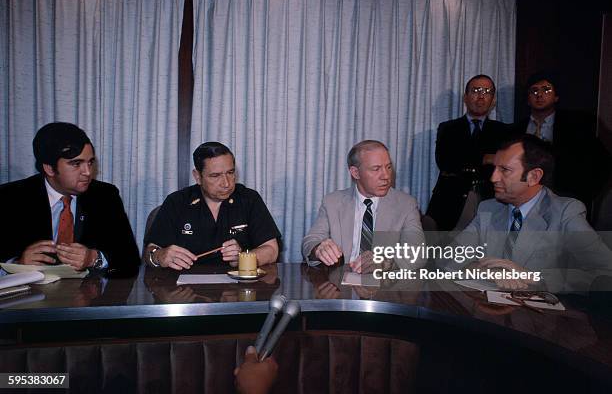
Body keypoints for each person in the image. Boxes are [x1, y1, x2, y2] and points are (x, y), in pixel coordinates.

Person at [449, 135, 612, 292]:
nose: (493, 178)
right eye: (494, 169)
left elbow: (605, 272)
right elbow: (447, 259)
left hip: (541, 316)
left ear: (534, 177)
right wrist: (479, 268)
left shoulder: (566, 213)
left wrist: (534, 277)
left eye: (504, 170)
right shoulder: (488, 209)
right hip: (489, 312)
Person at [0, 122, 140, 276]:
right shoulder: (10, 198)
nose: (87, 172)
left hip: (88, 295)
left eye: (90, 162)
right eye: (76, 164)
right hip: (29, 296)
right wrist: (17, 264)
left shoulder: (105, 195)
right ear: (49, 168)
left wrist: (94, 258)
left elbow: (130, 258)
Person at [143, 142, 281, 270]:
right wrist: (159, 256)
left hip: (237, 286)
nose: (226, 183)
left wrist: (243, 259)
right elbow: (151, 250)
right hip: (184, 288)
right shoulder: (177, 202)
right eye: (215, 176)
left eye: (230, 173)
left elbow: (271, 250)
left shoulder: (249, 199)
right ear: (197, 176)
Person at [302, 140, 425, 273]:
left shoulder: (406, 204)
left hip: (384, 287)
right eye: (376, 169)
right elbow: (310, 241)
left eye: (388, 167)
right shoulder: (332, 202)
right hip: (341, 285)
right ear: (355, 173)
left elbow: (417, 253)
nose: (386, 176)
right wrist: (318, 248)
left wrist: (385, 262)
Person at [513, 72, 611, 218]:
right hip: (523, 201)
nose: (539, 94)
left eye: (546, 90)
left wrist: (583, 195)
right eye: (534, 91)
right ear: (527, 99)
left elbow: (601, 162)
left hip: (565, 198)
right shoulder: (515, 129)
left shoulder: (576, 126)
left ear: (556, 97)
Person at [426, 74, 512, 231]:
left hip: (490, 198)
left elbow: (505, 164)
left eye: (487, 91)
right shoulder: (448, 128)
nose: (481, 96)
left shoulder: (504, 131)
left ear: (493, 100)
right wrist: (486, 158)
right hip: (450, 199)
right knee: (445, 249)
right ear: (465, 97)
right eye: (476, 90)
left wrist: (466, 157)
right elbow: (445, 162)